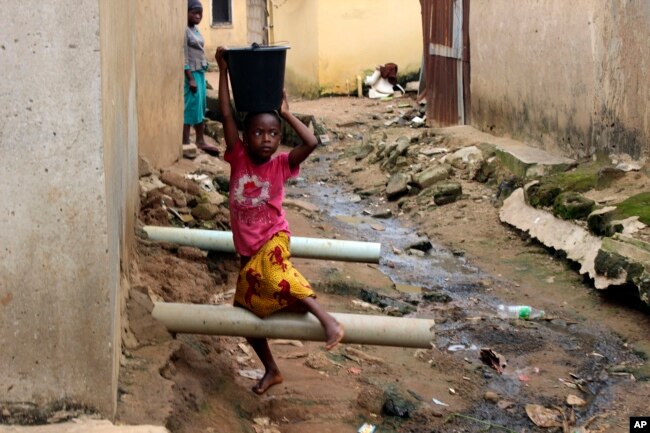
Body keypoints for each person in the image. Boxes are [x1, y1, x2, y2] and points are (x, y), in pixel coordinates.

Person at [215, 46, 344, 395]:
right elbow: (226, 113)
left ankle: (327, 319)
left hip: (273, 239)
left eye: (273, 134)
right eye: (259, 133)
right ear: (245, 137)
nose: (267, 140)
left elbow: (311, 141)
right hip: (248, 251)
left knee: (272, 273)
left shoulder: (280, 165)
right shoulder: (238, 156)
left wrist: (286, 114)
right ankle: (272, 369)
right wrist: (223, 71)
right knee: (246, 313)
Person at [183, 0, 220, 156]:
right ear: (186, 13)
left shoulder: (195, 30)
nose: (198, 16)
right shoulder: (185, 31)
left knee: (201, 106)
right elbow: (183, 56)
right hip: (191, 74)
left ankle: (200, 140)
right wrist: (190, 78)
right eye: (194, 13)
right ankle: (185, 141)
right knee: (191, 106)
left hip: (200, 73)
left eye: (200, 14)